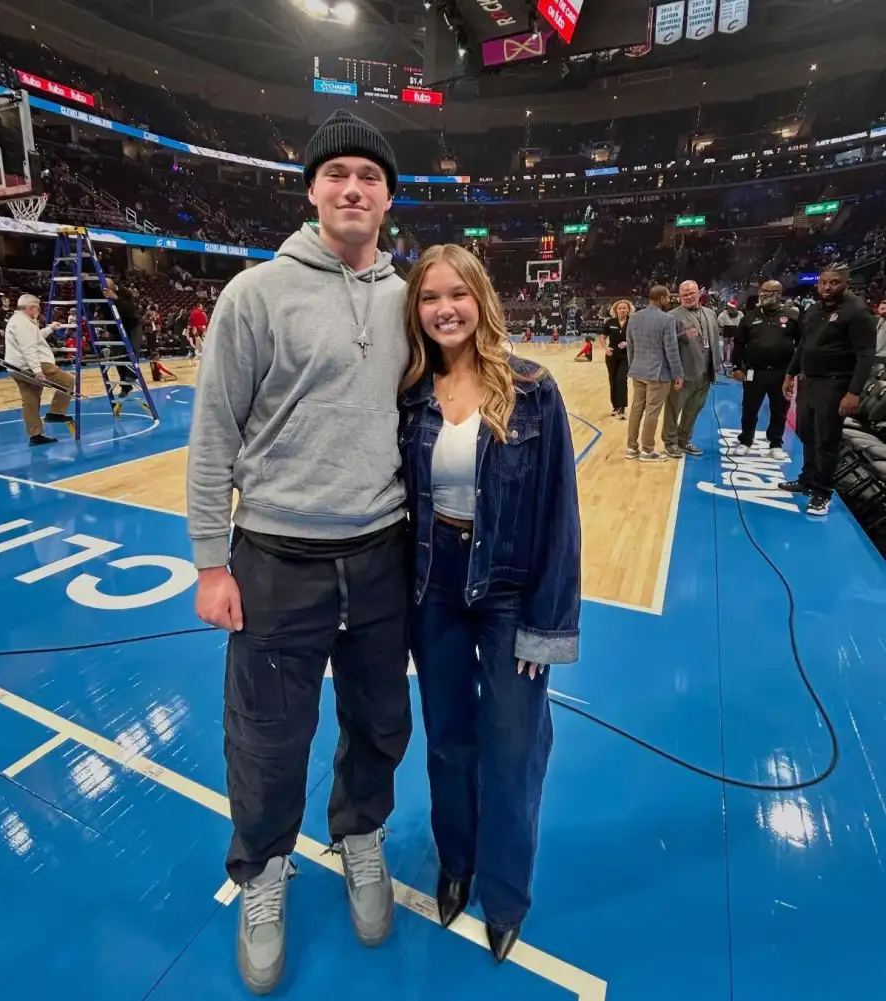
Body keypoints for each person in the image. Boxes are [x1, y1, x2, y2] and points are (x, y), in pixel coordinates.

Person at [188, 110, 411, 995]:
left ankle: (360, 834)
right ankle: (265, 870)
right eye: (337, 174)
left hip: (383, 553)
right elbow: (212, 436)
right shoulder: (255, 293)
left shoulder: (409, 295)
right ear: (312, 189)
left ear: (389, 196)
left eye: (369, 175)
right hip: (275, 557)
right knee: (268, 737)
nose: (353, 188)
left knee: (381, 721)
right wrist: (212, 561)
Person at [398, 243, 580, 963]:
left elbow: (560, 515)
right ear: (416, 309)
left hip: (509, 587)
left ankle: (505, 893)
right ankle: (456, 862)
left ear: (482, 300)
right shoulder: (409, 391)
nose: (445, 308)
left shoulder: (534, 390)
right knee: (448, 741)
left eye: (458, 294)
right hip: (433, 585)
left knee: (512, 748)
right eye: (430, 296)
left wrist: (547, 625)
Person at [779, 266, 877, 516]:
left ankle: (822, 493)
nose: (827, 287)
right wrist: (790, 373)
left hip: (835, 384)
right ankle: (808, 479)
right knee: (806, 433)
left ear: (845, 284)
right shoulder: (813, 309)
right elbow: (803, 345)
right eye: (823, 283)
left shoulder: (857, 313)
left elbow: (865, 355)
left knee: (826, 439)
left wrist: (853, 392)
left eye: (834, 283)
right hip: (809, 382)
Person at [729, 281, 799, 462]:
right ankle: (745, 441)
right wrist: (737, 367)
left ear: (779, 293)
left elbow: (801, 344)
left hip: (781, 373)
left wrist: (797, 370)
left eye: (770, 291)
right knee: (750, 408)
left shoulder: (791, 316)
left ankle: (776, 443)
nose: (765, 294)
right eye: (763, 291)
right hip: (754, 371)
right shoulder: (750, 316)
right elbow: (738, 344)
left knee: (780, 410)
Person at [663, 280, 723, 458]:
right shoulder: (671, 316)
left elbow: (714, 340)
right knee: (674, 409)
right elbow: (666, 342)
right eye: (684, 294)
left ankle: (684, 440)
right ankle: (670, 442)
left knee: (694, 408)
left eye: (691, 293)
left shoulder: (711, 313)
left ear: (699, 293)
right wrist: (683, 335)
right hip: (683, 371)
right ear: (679, 296)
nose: (688, 297)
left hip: (706, 371)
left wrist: (716, 365)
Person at [625, 285, 684, 462]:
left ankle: (631, 448)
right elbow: (671, 350)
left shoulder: (634, 317)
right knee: (652, 412)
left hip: (638, 371)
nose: (669, 300)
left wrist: (633, 366)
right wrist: (678, 375)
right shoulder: (667, 319)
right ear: (661, 299)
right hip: (658, 374)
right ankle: (648, 450)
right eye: (668, 297)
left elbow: (630, 346)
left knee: (636, 410)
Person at [3, 294, 70, 446]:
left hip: (16, 367)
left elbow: (35, 337)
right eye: (38, 308)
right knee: (67, 381)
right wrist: (38, 371)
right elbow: (29, 349)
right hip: (30, 365)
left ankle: (35, 435)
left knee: (30, 400)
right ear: (30, 308)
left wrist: (50, 329)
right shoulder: (23, 323)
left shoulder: (20, 321)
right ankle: (56, 413)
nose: (39, 311)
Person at [600, 299, 633, 419]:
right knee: (613, 381)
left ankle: (622, 408)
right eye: (620, 308)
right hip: (612, 356)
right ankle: (615, 406)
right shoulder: (610, 322)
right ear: (616, 310)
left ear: (628, 310)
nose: (622, 310)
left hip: (625, 356)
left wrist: (628, 343)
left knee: (621, 380)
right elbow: (603, 337)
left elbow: (637, 338)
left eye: (625, 308)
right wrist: (606, 348)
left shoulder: (632, 322)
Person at [717, 299, 743, 372]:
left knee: (725, 344)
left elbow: (719, 320)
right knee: (732, 344)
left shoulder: (725, 312)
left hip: (727, 327)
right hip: (735, 328)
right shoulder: (739, 313)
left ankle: (725, 360)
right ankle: (731, 360)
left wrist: (721, 327)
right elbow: (743, 320)